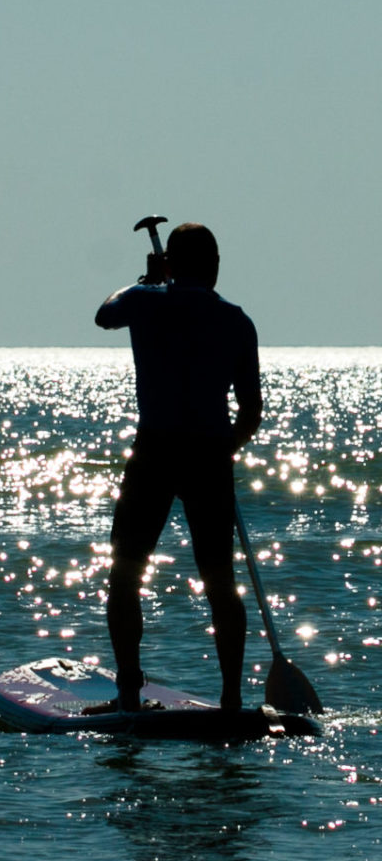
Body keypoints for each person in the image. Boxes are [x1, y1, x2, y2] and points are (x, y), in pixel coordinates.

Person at [93, 222, 262, 711]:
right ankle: (231, 699)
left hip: (156, 452)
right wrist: (224, 450)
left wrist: (148, 281)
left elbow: (105, 315)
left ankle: (129, 693)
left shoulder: (146, 301)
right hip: (209, 453)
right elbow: (251, 411)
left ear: (168, 263)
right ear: (214, 268)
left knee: (126, 573)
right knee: (219, 580)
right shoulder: (237, 321)